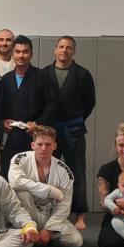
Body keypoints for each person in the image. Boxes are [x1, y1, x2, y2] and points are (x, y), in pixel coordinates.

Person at [44, 35, 95, 230]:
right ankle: (48, 211)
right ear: (55, 49)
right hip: (50, 131)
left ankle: (80, 214)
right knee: (49, 172)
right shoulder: (45, 73)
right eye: (61, 47)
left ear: (74, 51)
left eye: (69, 47)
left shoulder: (83, 74)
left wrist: (75, 119)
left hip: (73, 130)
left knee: (78, 172)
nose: (64, 50)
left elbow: (90, 103)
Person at [8, 126, 83, 247]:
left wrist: (49, 230)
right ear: (33, 145)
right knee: (22, 193)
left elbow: (64, 205)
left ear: (55, 146)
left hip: (49, 214)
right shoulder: (20, 159)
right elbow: (15, 182)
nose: (43, 148)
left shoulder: (64, 171)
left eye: (48, 144)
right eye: (40, 144)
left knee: (76, 241)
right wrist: (49, 190)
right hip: (26, 212)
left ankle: (40, 236)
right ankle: (32, 231)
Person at [0, 35, 57, 177]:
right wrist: (1, 122)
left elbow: (53, 105)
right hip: (12, 136)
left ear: (31, 54)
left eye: (25, 52)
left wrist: (38, 124)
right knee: (10, 174)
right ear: (12, 54)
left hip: (35, 135)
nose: (21, 55)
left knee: (35, 175)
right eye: (17, 52)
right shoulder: (6, 79)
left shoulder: (43, 77)